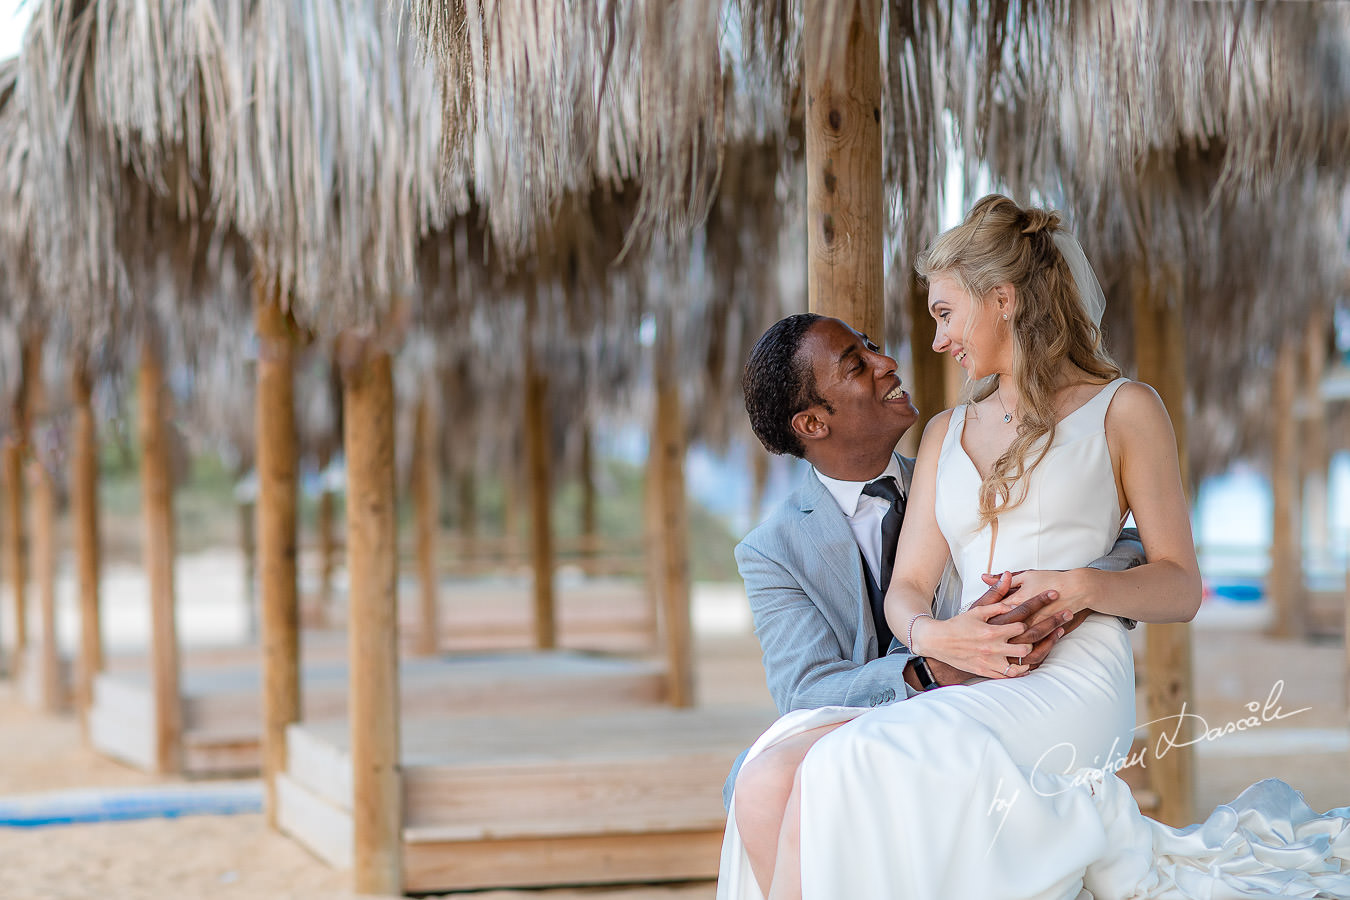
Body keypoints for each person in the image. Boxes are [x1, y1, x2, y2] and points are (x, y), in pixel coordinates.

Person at [717, 195, 1350, 900]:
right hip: (966, 675)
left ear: (1004, 301)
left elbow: (1177, 583)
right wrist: (941, 640)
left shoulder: (1126, 409)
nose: (932, 342)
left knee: (847, 763)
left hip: (1071, 676)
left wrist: (1077, 588)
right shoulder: (942, 435)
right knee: (771, 773)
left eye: (945, 314)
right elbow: (908, 589)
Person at [725, 312, 1145, 808]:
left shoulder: (961, 472)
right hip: (880, 743)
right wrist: (934, 671)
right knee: (758, 780)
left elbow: (1124, 542)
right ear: (814, 423)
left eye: (872, 346)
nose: (887, 362)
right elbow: (807, 691)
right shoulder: (772, 551)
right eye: (857, 366)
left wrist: (1061, 593)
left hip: (996, 718)